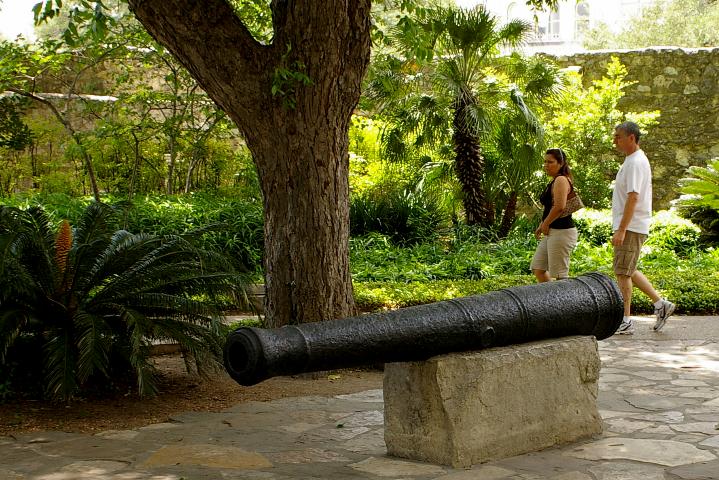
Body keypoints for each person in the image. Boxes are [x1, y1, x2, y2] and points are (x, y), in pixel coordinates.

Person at [611, 121, 675, 334]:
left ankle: (625, 320)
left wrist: (622, 229)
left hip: (631, 227)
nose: (614, 140)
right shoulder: (632, 160)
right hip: (631, 226)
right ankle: (660, 304)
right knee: (627, 269)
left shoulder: (635, 162)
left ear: (631, 137)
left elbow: (633, 197)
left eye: (618, 136)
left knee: (622, 272)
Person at [531, 148, 579, 282]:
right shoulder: (554, 180)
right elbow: (550, 207)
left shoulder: (561, 180)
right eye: (545, 162)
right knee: (538, 268)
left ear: (561, 163)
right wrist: (542, 225)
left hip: (562, 232)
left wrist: (546, 224)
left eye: (550, 162)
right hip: (552, 231)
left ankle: (565, 296)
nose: (546, 165)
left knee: (560, 275)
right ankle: (551, 295)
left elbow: (559, 207)